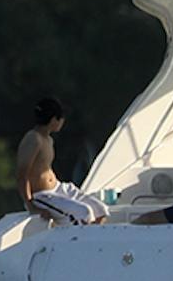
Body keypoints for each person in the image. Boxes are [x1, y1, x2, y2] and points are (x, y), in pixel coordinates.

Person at [16, 96, 108, 225]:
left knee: (100, 210)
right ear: (54, 119)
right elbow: (22, 175)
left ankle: (91, 239)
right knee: (84, 212)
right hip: (42, 195)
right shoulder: (33, 139)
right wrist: (31, 205)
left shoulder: (48, 139)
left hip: (58, 188)